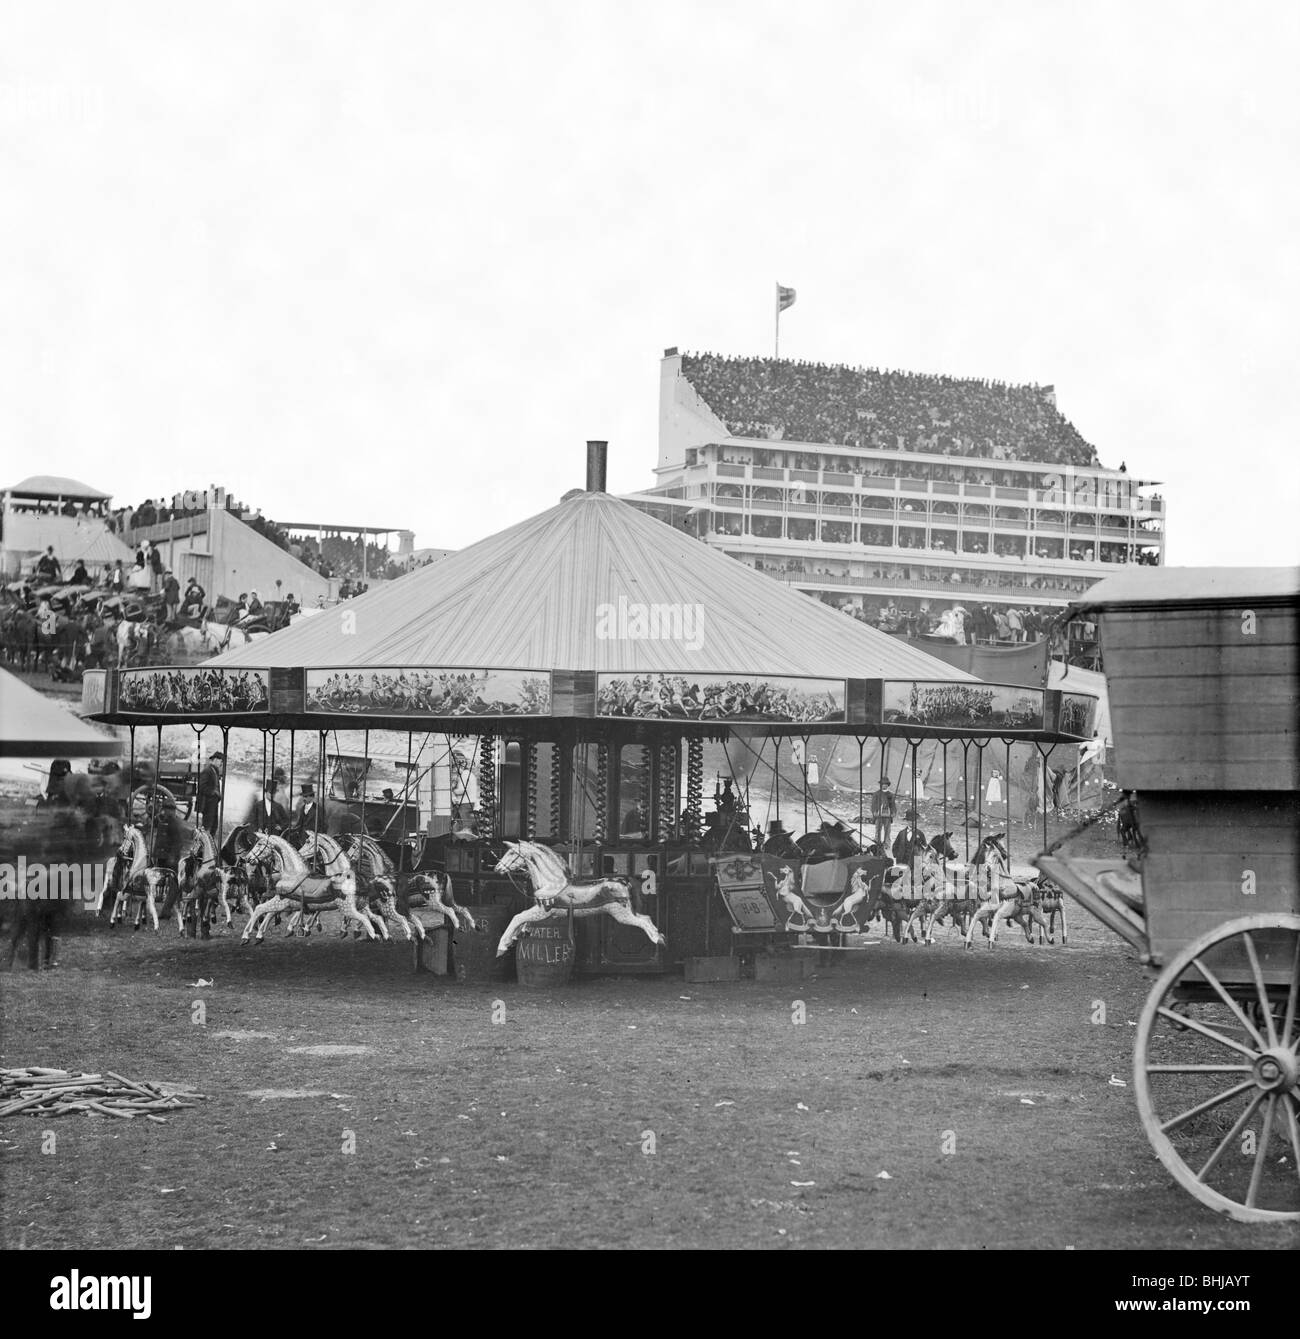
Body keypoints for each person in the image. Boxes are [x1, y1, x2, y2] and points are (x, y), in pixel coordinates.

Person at [196, 752, 224, 835]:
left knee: (214, 825)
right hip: (208, 803)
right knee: (207, 825)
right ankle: (203, 843)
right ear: (215, 760)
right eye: (221, 761)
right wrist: (213, 792)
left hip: (213, 803)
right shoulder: (207, 771)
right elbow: (201, 787)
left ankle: (209, 843)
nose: (221, 764)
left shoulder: (214, 771)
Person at [870, 779, 895, 846]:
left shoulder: (891, 795)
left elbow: (893, 805)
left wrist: (893, 813)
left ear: (888, 785)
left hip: (887, 815)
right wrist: (874, 812)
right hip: (878, 815)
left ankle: (887, 843)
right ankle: (877, 842)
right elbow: (873, 804)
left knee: (887, 830)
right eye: (883, 784)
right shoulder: (876, 794)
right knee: (878, 829)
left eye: (886, 784)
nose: (884, 786)